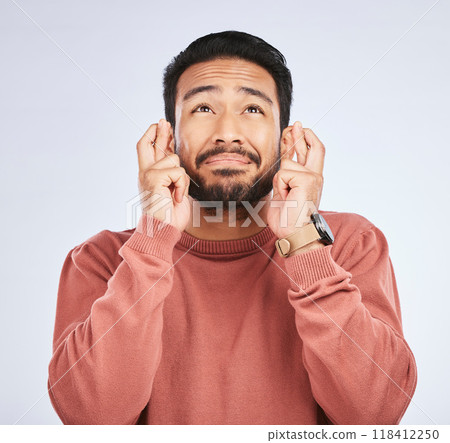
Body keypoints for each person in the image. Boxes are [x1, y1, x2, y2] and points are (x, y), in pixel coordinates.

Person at [47, 30, 417, 425]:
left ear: (285, 137)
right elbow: (90, 419)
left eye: (253, 110)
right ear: (170, 138)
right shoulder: (99, 260)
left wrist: (304, 242)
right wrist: (153, 239)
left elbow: (376, 413)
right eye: (203, 108)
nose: (227, 131)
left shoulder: (349, 245)